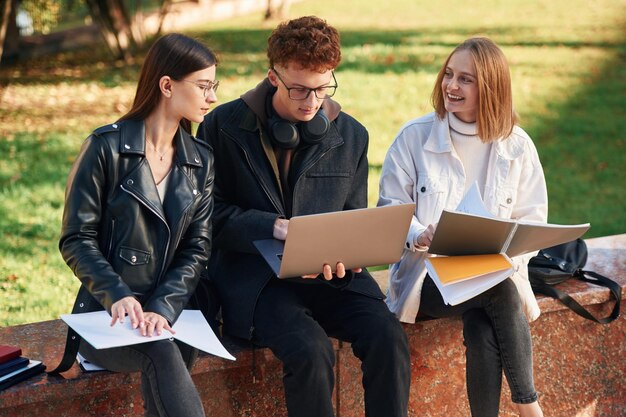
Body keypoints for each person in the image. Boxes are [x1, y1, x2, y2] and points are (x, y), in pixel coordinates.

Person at [197, 16, 410, 417]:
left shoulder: (352, 135)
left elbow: (352, 218)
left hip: (333, 277)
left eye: (322, 88)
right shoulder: (221, 127)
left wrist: (339, 257)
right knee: (310, 352)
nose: (311, 101)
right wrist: (272, 227)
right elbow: (207, 216)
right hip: (257, 281)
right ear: (273, 77)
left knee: (388, 338)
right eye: (298, 88)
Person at [51, 33, 218, 417]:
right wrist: (118, 294)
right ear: (166, 85)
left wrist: (162, 306)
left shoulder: (201, 160)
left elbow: (198, 247)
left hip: (173, 313)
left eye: (214, 86)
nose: (212, 97)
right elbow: (76, 238)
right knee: (161, 349)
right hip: (105, 315)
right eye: (204, 86)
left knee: (167, 346)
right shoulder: (105, 148)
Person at [378, 36, 546, 417]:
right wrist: (420, 234)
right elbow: (390, 210)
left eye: (465, 79)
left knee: (486, 324)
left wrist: (505, 246)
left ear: (490, 87)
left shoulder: (517, 146)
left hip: (492, 273)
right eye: (449, 75)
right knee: (500, 294)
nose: (451, 86)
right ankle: (529, 406)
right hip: (429, 280)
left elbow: (533, 219)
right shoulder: (414, 138)